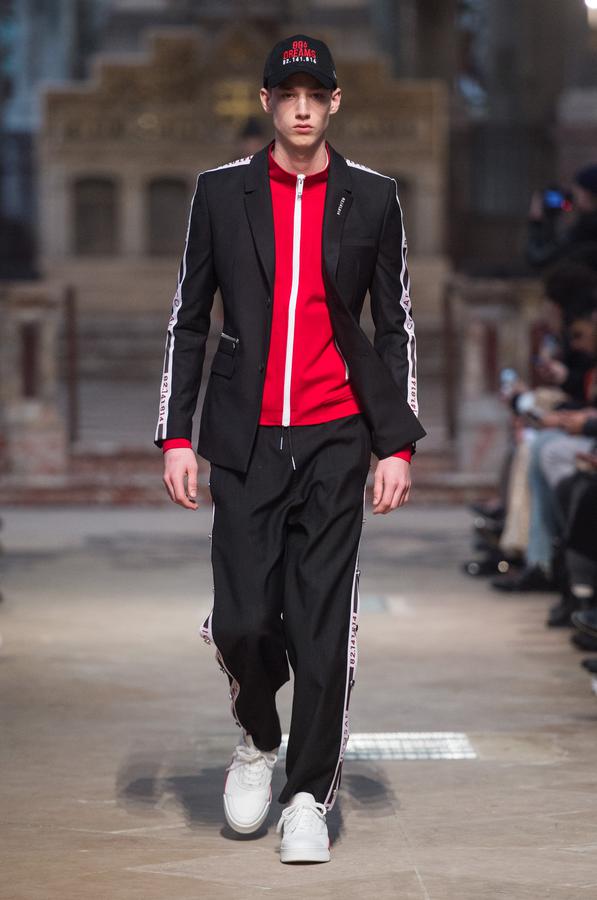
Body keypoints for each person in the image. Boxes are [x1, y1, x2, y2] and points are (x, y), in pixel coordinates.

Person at [154, 33, 425, 864]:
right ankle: (257, 737)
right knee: (241, 620)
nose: (302, 109)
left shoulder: (373, 197)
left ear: (333, 102)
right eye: (287, 95)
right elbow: (189, 317)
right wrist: (176, 434)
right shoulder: (220, 192)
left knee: (319, 626)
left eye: (315, 95)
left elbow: (394, 326)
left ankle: (307, 794)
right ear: (267, 102)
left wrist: (395, 445)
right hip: (244, 438)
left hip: (338, 437)